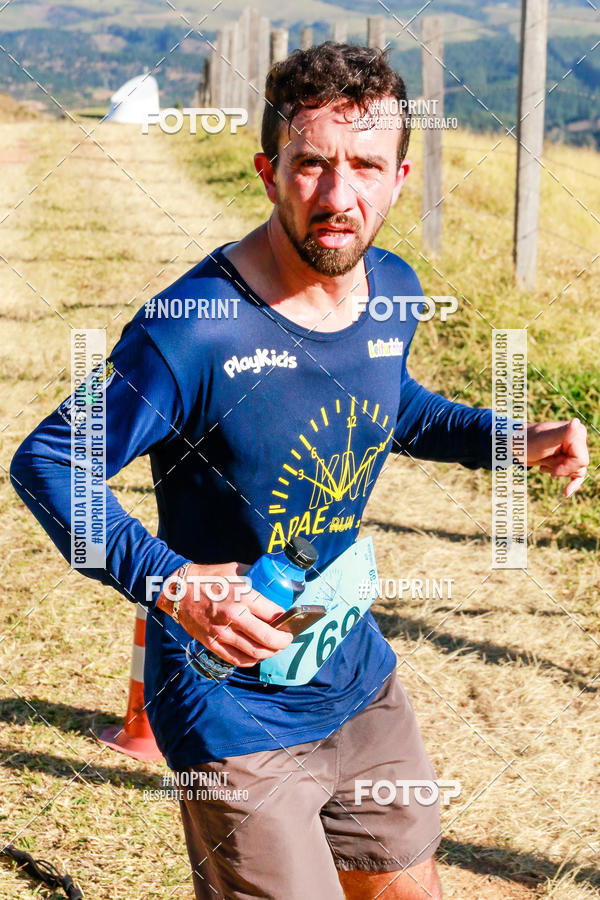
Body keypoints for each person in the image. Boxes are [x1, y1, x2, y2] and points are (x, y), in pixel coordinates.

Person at [11, 43, 588, 900]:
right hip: (227, 703)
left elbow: (394, 403)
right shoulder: (193, 327)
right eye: (311, 164)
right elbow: (50, 461)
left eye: (363, 166)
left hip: (351, 667)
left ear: (399, 177)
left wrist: (512, 437)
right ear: (268, 171)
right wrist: (172, 584)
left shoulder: (393, 285)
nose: (337, 195)